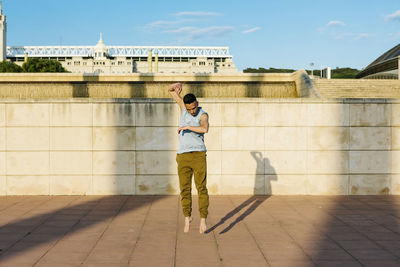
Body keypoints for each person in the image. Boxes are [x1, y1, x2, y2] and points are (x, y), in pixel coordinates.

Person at [167, 82, 209, 234]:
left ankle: (203, 218)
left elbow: (204, 128)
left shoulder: (203, 114)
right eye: (189, 108)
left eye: (193, 108)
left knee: (201, 188)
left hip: (198, 155)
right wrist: (177, 86)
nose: (191, 112)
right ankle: (187, 217)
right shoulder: (184, 109)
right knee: (185, 189)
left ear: (197, 103)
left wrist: (187, 127)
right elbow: (169, 90)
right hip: (183, 156)